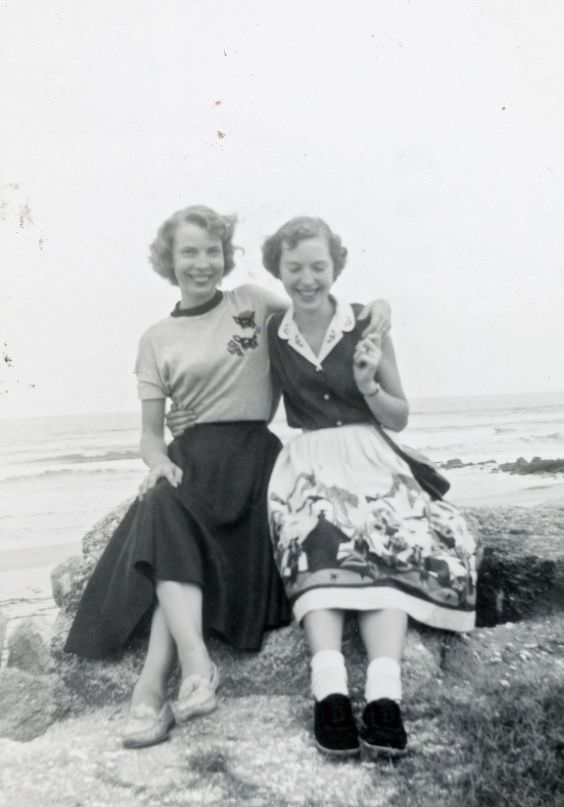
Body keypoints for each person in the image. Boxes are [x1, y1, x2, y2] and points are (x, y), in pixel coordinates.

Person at [64, 205, 390, 750]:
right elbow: (149, 433)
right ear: (168, 260)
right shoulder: (155, 338)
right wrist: (158, 462)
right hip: (190, 460)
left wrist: (376, 308)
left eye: (212, 251)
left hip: (255, 459)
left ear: (226, 256)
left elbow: (320, 316)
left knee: (174, 540)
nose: (202, 263)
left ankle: (151, 689)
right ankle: (196, 668)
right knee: (163, 506)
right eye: (189, 252)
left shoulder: (254, 303)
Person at [261, 216, 478, 759]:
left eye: (318, 266)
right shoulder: (272, 331)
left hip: (370, 453)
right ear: (278, 271)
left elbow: (399, 416)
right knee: (313, 539)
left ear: (336, 266)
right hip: (310, 459)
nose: (307, 279)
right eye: (295, 268)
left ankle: (385, 699)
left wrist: (367, 386)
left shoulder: (367, 325)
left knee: (390, 542)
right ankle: (329, 694)